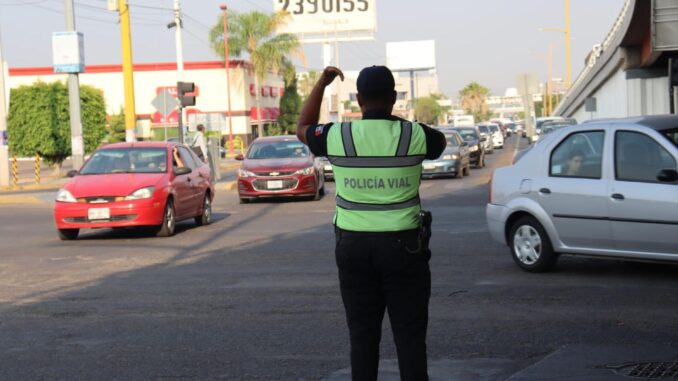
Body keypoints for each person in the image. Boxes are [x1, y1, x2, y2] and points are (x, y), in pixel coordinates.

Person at [297, 66, 446, 381]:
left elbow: (304, 126)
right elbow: (440, 142)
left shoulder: (339, 136)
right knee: (410, 340)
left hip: (353, 250)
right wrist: (398, 123)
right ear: (394, 99)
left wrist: (322, 83)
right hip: (405, 250)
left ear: (358, 99)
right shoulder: (414, 134)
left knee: (362, 338)